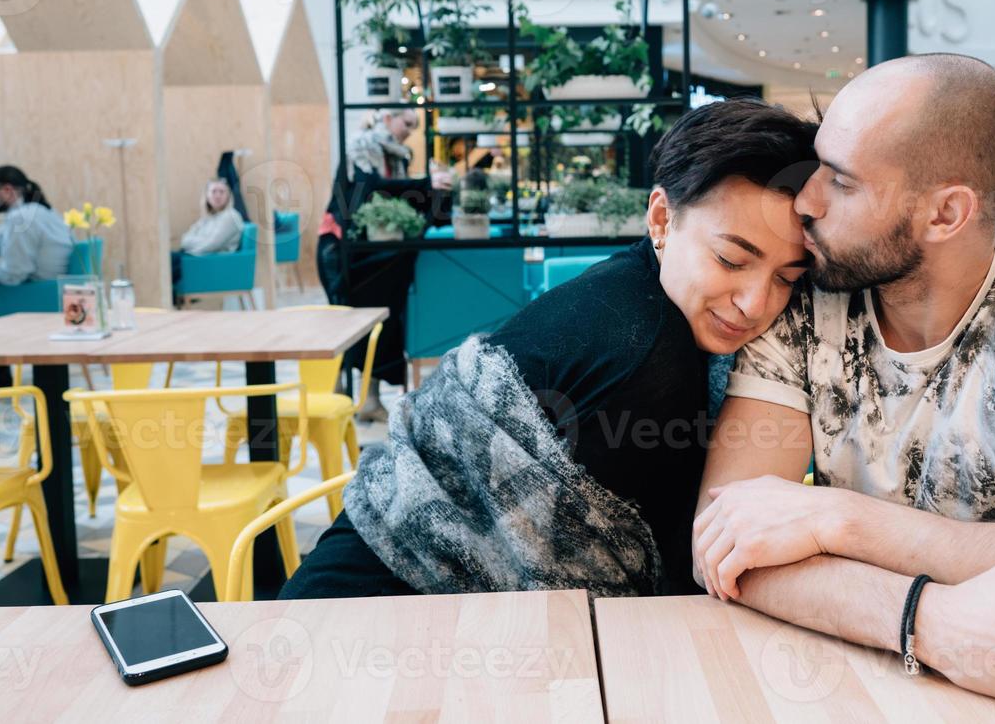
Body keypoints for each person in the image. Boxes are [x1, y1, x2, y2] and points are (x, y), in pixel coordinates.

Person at [691, 54, 995, 706]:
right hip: (850, 684)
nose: (804, 202)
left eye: (840, 182)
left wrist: (840, 521)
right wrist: (928, 624)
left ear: (946, 214)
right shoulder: (808, 287)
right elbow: (723, 547)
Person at [282, 97, 818, 600]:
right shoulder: (652, 359)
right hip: (353, 638)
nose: (755, 303)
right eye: (731, 260)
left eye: (787, 277)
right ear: (661, 218)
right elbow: (670, 591)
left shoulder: (629, 286)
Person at [319, 109, 454, 400]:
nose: (409, 130)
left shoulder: (400, 157)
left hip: (379, 249)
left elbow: (398, 197)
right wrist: (424, 184)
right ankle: (335, 399)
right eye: (407, 123)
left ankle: (369, 398)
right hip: (343, 247)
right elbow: (370, 188)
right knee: (344, 322)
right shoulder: (362, 146)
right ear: (388, 118)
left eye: (414, 126)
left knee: (385, 323)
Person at [0, 165, 72, 286]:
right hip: (49, 290)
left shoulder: (21, 218)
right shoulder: (37, 212)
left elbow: (12, 275)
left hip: (36, 293)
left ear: (7, 191)